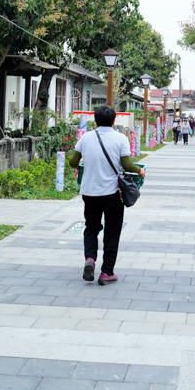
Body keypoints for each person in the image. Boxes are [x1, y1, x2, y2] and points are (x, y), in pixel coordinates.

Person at [68, 105, 145, 285]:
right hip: (112, 194)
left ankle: (90, 259)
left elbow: (72, 163)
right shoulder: (120, 139)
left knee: (91, 227)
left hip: (89, 192)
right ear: (114, 120)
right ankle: (106, 273)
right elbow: (126, 165)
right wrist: (139, 171)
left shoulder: (85, 138)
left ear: (95, 120)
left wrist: (81, 159)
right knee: (112, 231)